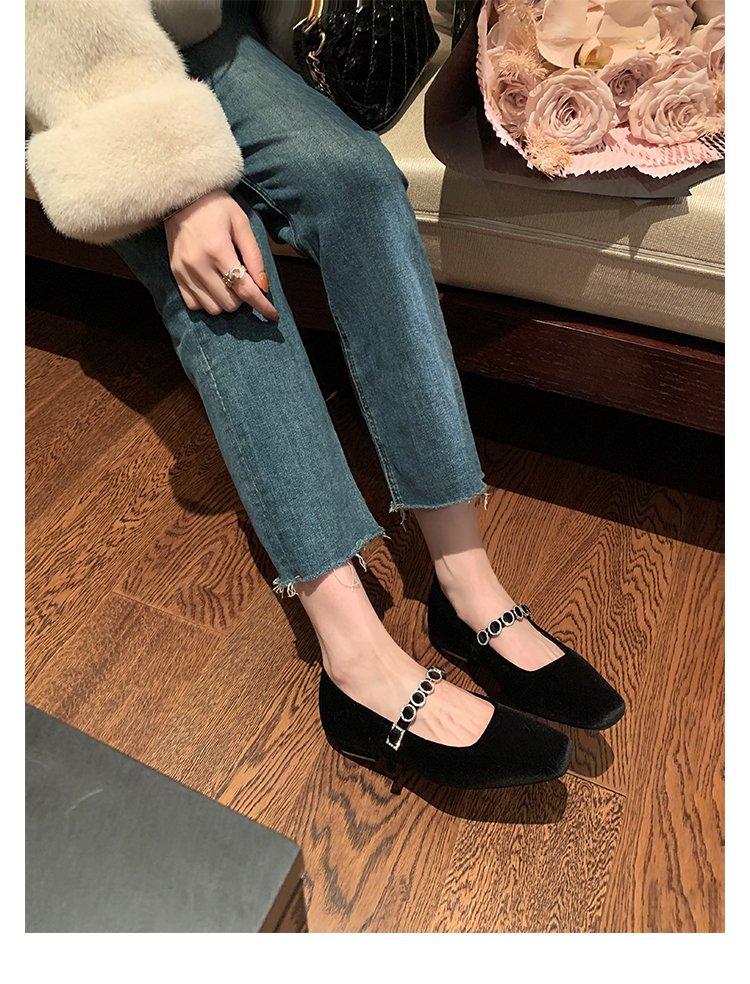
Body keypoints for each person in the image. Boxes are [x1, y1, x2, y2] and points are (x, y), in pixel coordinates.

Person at [26, 0, 624, 792]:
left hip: (195, 28)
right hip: (69, 57)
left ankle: (464, 579)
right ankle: (354, 657)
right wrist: (178, 187)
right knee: (224, 262)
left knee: (359, 182)